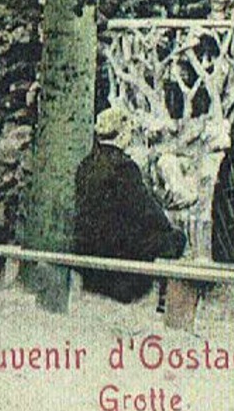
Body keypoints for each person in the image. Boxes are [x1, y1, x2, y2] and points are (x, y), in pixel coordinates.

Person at [73, 108, 187, 303]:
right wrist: (167, 227)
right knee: (175, 238)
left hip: (85, 243)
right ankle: (164, 300)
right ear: (122, 133)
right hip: (114, 248)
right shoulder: (124, 168)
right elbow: (146, 210)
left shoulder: (86, 164)